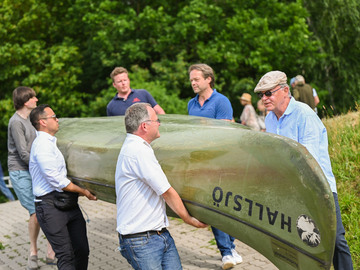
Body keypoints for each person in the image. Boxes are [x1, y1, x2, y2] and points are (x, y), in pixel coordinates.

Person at [254, 70, 354, 270]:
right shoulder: (271, 119)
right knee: (300, 240)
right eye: (261, 95)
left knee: (335, 240)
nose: (264, 98)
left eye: (268, 93)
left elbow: (311, 161)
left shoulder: (304, 115)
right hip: (291, 190)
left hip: (319, 187)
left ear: (285, 90)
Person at [116, 103, 207, 270]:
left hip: (158, 234)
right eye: (156, 120)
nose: (159, 123)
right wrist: (188, 219)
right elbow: (166, 192)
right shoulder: (138, 151)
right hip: (142, 240)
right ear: (144, 126)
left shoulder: (137, 147)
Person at [29, 104, 97, 270]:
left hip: (66, 202)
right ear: (42, 122)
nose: (57, 119)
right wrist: (83, 192)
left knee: (81, 250)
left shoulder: (51, 143)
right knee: (66, 255)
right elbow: (57, 180)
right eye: (54, 117)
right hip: (50, 207)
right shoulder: (42, 146)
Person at [188, 64, 242, 269]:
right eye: (191, 80)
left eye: (196, 79)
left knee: (227, 205)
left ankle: (232, 246)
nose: (193, 83)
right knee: (212, 206)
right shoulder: (191, 104)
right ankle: (226, 252)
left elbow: (225, 133)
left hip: (222, 160)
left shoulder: (222, 101)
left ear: (208, 79)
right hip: (201, 162)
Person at [7, 86, 55, 269]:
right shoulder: (16, 122)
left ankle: (51, 253)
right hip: (21, 171)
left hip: (35, 168)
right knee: (36, 212)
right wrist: (44, 167)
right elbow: (23, 154)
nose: (36, 99)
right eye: (33, 97)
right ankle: (33, 253)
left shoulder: (31, 120)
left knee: (49, 208)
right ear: (25, 101)